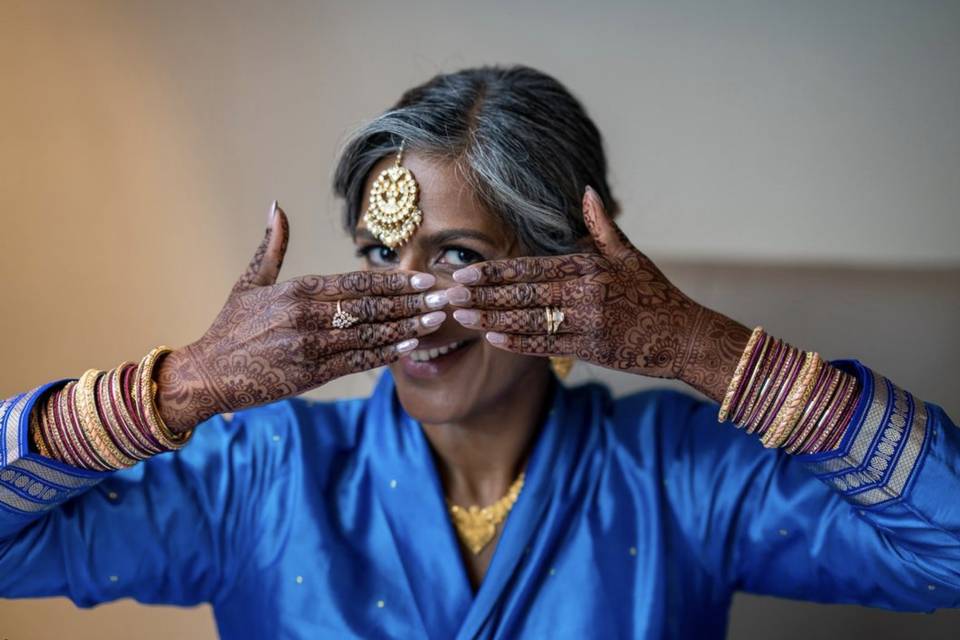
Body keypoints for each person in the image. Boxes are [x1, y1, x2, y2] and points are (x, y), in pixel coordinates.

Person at [0, 66, 957, 639]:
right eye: (381, 257)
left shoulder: (674, 473)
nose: (410, 306)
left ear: (575, 273)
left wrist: (699, 346)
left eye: (457, 257)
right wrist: (184, 386)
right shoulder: (265, 473)